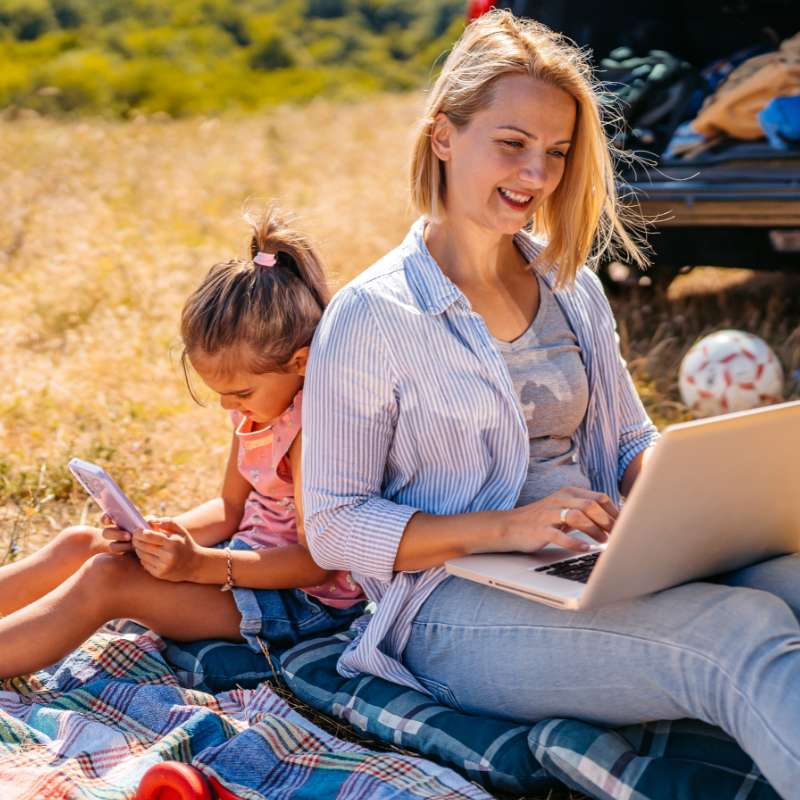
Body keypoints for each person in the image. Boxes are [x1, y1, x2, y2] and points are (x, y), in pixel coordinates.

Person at [302, 10, 800, 795]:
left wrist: (694, 490)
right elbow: (332, 525)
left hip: (596, 564)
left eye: (558, 153)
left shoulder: (572, 287)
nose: (536, 175)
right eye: (512, 144)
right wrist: (510, 526)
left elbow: (628, 438)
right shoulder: (371, 316)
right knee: (741, 635)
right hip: (452, 610)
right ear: (443, 136)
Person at [0, 209, 364, 679]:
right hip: (242, 563)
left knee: (108, 578)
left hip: (299, 604)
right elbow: (228, 509)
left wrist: (199, 565)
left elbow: (315, 563)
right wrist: (156, 535)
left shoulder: (310, 434)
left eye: (239, 393)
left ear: (300, 362)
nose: (228, 406)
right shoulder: (259, 408)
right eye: (220, 393)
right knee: (83, 544)